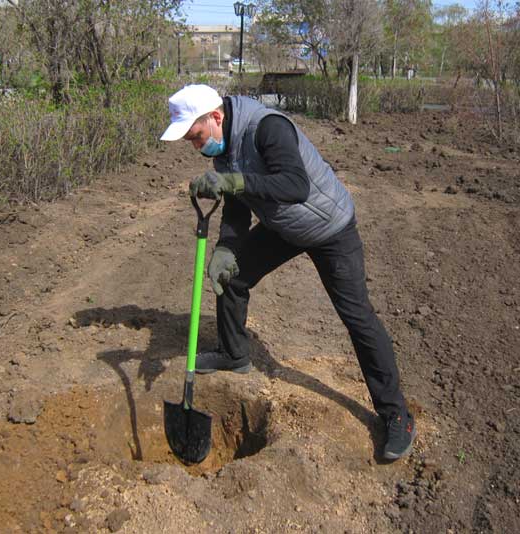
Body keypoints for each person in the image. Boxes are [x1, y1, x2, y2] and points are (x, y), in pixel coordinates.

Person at [159, 84, 416, 461]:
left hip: (329, 227)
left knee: (358, 318)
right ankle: (234, 354)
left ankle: (396, 414)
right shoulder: (224, 150)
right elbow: (236, 207)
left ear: (215, 117)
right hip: (284, 227)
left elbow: (295, 186)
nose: (196, 147)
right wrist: (227, 248)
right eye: (190, 142)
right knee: (232, 277)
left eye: (196, 137)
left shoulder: (267, 127)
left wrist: (236, 181)